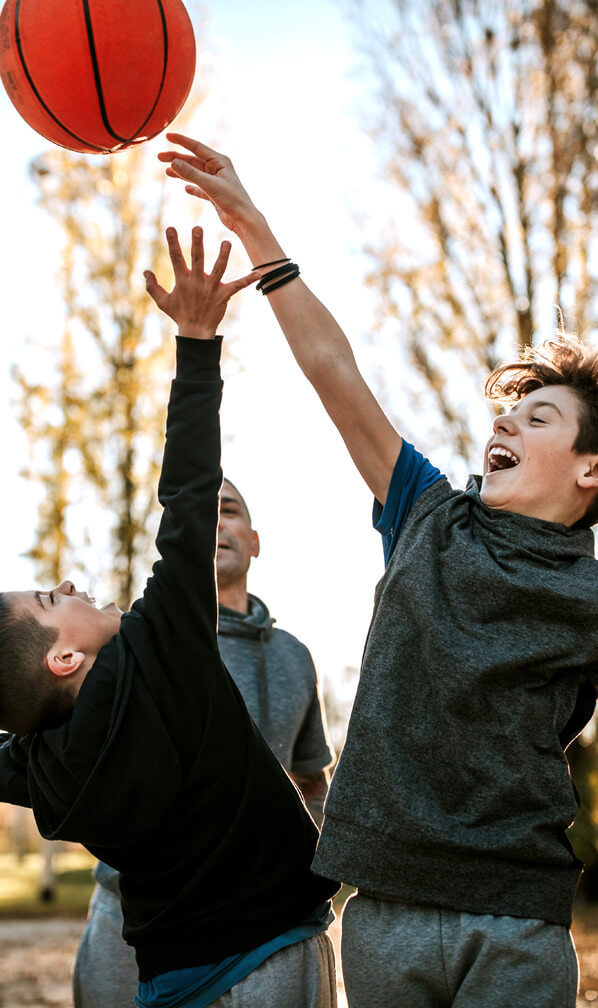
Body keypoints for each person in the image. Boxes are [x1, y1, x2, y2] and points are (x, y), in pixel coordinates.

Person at [158, 133, 598, 1007]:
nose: (503, 426)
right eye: (506, 415)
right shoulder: (427, 514)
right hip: (384, 906)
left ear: (591, 470)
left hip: (516, 918)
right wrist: (254, 227)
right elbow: (334, 373)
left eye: (537, 417)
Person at [0, 226, 339, 1008]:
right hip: (271, 952)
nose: (72, 583)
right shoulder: (162, 647)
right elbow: (189, 491)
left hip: (168, 981)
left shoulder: (42, 773)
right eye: (56, 600)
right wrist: (196, 341)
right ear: (63, 660)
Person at [74, 474, 334, 1008]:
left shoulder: (294, 655)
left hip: (262, 924)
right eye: (204, 512)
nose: (216, 521)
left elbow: (311, 779)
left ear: (254, 541)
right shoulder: (130, 644)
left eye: (231, 510)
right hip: (131, 914)